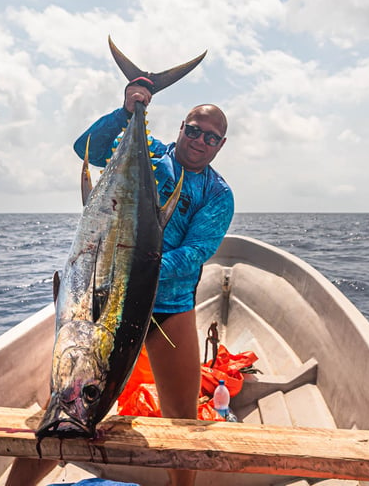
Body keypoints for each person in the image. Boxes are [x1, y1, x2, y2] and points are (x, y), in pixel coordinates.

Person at [73, 82, 234, 486]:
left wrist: (139, 268)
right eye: (194, 130)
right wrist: (128, 111)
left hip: (168, 307)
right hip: (107, 301)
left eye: (210, 137)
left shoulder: (217, 194)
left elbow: (197, 252)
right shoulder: (150, 154)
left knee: (183, 417)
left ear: (221, 144)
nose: (200, 140)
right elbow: (86, 150)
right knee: (70, 399)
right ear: (181, 127)